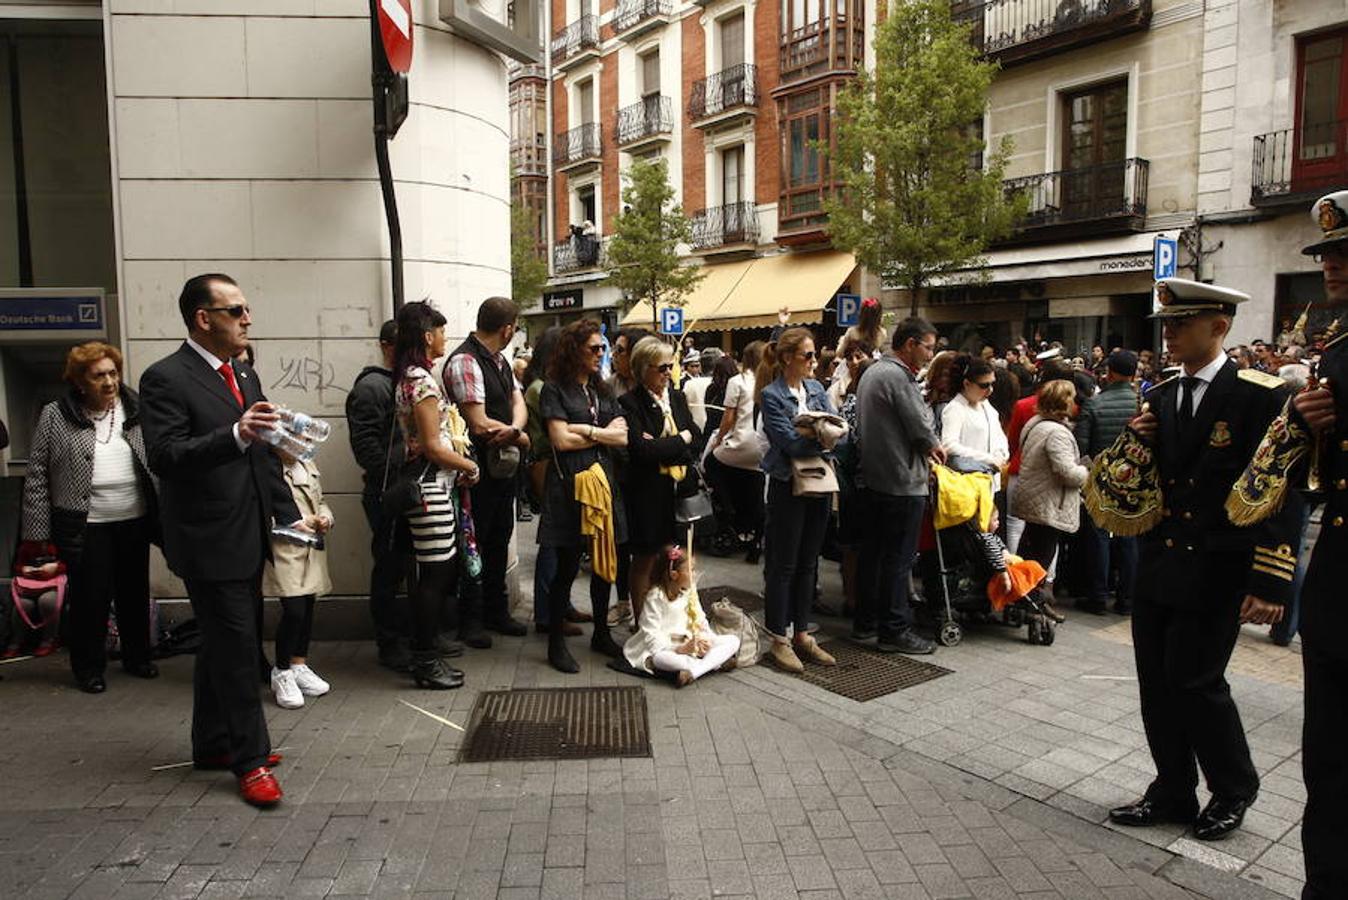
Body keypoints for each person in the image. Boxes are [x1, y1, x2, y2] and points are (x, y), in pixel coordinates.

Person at [1106, 277, 1303, 843]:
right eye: (1166, 324)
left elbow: (1280, 488)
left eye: (1181, 324)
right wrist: (1138, 443)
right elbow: (1147, 485)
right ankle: (1172, 788)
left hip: (1219, 567)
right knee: (1156, 685)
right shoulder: (1161, 396)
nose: (1168, 334)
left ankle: (1233, 788)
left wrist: (1271, 579)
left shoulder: (1260, 395)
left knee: (1197, 683)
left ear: (1219, 327)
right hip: (1161, 566)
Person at [139, 274, 303, 808]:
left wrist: (286, 513)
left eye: (247, 309)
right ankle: (249, 760)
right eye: (235, 311)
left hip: (248, 528)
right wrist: (234, 433)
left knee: (220, 641)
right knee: (236, 647)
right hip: (206, 539)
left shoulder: (244, 370)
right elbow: (165, 456)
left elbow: (259, 448)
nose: (247, 318)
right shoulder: (165, 378)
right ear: (203, 319)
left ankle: (212, 743)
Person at [19, 341, 159, 693]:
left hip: (134, 517)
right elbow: (37, 474)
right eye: (99, 376)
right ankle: (88, 668)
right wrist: (37, 534)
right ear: (80, 381)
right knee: (90, 597)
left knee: (134, 591)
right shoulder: (56, 415)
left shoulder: (137, 408)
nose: (109, 382)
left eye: (113, 373)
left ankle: (137, 657)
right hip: (85, 524)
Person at [1288, 191, 1348, 898]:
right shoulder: (1336, 352)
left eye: (1341, 251)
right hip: (1337, 584)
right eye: (1328, 251)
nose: (1329, 263)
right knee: (1328, 768)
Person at [392, 300, 481, 690]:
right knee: (436, 573)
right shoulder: (422, 382)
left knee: (434, 572)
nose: (447, 338)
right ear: (428, 336)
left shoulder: (410, 377)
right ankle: (426, 659)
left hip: (428, 482)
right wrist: (469, 466)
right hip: (430, 484)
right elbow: (432, 444)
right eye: (442, 331)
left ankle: (425, 653)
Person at [536, 319, 629, 673]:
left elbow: (622, 437)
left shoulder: (601, 390)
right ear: (573, 350)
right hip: (568, 488)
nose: (601, 353)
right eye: (594, 348)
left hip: (603, 485)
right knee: (566, 566)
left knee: (605, 563)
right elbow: (560, 440)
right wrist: (601, 432)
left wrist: (586, 430)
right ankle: (556, 643)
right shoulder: (553, 390)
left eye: (603, 347)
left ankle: (601, 633)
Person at [850, 318, 942, 655]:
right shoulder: (898, 376)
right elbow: (920, 428)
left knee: (874, 555)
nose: (931, 354)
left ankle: (866, 623)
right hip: (902, 481)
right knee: (897, 559)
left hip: (876, 477)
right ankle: (893, 629)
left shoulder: (873, 372)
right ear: (910, 344)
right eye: (928, 347)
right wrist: (933, 444)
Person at [444, 297, 532, 642]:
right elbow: (478, 424)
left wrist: (516, 432)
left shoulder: (500, 362)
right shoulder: (467, 361)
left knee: (498, 539)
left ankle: (497, 612)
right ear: (507, 329)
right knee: (473, 543)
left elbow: (517, 401)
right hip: (475, 474)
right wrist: (517, 435)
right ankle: (471, 620)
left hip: (502, 472)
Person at [756, 327, 839, 672]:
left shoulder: (817, 389)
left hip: (819, 482)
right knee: (783, 564)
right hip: (787, 483)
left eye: (815, 354)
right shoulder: (771, 395)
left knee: (809, 562)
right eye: (808, 355)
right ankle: (779, 637)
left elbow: (842, 429)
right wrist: (823, 436)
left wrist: (818, 433)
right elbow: (789, 443)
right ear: (788, 358)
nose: (814, 361)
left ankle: (802, 633)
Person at [345, 319, 412, 672]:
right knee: (389, 567)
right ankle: (389, 643)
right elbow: (368, 454)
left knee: (407, 564)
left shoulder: (404, 384)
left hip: (406, 491)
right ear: (387, 346)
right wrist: (412, 449)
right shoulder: (372, 388)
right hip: (386, 494)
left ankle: (410, 636)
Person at [619, 337, 700, 622]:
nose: (668, 373)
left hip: (677, 493)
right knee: (644, 558)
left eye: (671, 366)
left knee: (673, 557)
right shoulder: (629, 403)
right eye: (662, 368)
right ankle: (642, 622)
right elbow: (641, 451)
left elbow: (696, 438)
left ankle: (667, 616)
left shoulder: (676, 397)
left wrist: (668, 445)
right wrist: (682, 440)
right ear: (643, 369)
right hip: (645, 493)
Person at [524, 327, 588, 637]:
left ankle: (560, 606)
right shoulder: (542, 388)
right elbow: (560, 433)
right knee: (552, 542)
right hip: (546, 463)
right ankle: (547, 613)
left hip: (552, 462)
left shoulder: (544, 385)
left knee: (563, 543)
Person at [262, 449, 334, 709]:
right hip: (285, 550)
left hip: (312, 547)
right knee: (293, 610)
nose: (299, 445)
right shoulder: (266, 467)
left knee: (307, 606)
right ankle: (281, 671)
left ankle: (299, 664)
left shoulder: (307, 463)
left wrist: (326, 518)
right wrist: (300, 520)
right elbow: (262, 510)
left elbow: (321, 499)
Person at [1010, 380, 1086, 623]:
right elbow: (1067, 472)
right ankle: (1033, 603)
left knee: (1028, 552)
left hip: (1035, 497)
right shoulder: (1057, 432)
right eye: (1071, 398)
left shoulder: (1036, 424)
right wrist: (1086, 472)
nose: (1075, 403)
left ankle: (1024, 600)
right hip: (1049, 502)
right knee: (1040, 556)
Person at [1075, 349, 1141, 615]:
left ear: (1110, 373)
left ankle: (1098, 595)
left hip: (1101, 476)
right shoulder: (1140, 402)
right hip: (1133, 478)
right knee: (1129, 537)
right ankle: (1127, 598)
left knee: (1099, 536)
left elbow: (1081, 448)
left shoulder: (1094, 404)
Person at [623, 544, 739, 686]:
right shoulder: (655, 597)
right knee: (660, 659)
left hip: (691, 642)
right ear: (674, 575)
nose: (694, 574)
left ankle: (694, 671)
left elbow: (700, 619)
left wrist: (704, 639)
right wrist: (680, 649)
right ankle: (713, 663)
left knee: (733, 640)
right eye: (690, 570)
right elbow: (651, 636)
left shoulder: (689, 591)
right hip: (668, 647)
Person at [707, 341, 766, 563]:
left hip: (739, 444)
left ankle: (727, 508)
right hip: (760, 448)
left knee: (711, 464)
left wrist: (718, 439)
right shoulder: (768, 382)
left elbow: (728, 418)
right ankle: (757, 541)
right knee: (756, 489)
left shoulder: (737, 382)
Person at [940, 356, 1010, 490]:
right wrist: (988, 459)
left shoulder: (986, 405)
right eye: (984, 385)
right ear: (967, 383)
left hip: (990, 481)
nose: (990, 390)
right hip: (967, 484)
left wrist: (1001, 454)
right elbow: (949, 445)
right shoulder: (955, 408)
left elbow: (999, 436)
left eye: (992, 384)